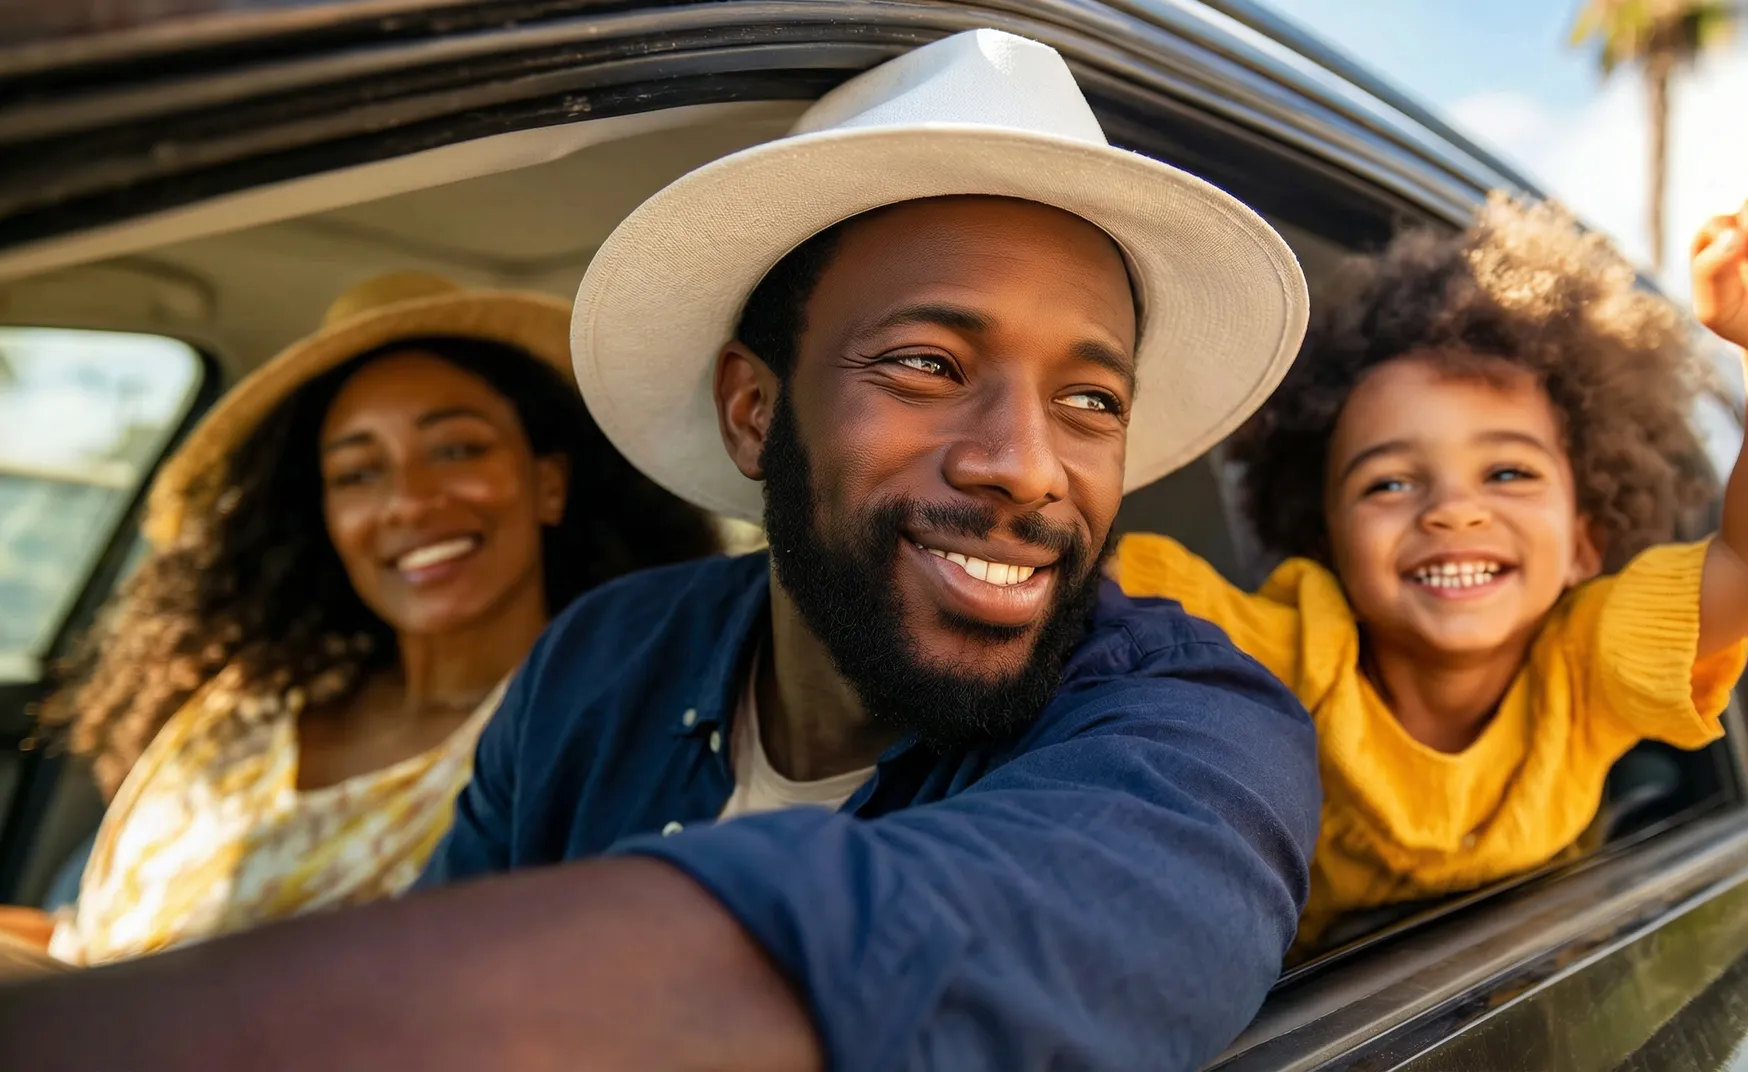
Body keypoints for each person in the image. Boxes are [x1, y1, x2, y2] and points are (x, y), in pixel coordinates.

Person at [0, 29, 1321, 1071]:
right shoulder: (599, 658)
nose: (1026, 462)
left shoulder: (1198, 733)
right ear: (754, 410)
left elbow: (934, 948)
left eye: (1090, 399)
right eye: (927, 363)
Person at [1114, 192, 1748, 949]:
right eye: (1389, 483)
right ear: (1330, 547)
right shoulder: (1287, 653)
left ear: (1584, 544)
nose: (1453, 512)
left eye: (1507, 474)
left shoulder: (1587, 668)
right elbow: (1099, 589)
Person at [8, 273, 717, 967]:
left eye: (457, 449)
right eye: (357, 474)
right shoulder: (241, 707)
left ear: (549, 484)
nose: (408, 501)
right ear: (324, 516)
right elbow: (93, 940)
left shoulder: (583, 739)